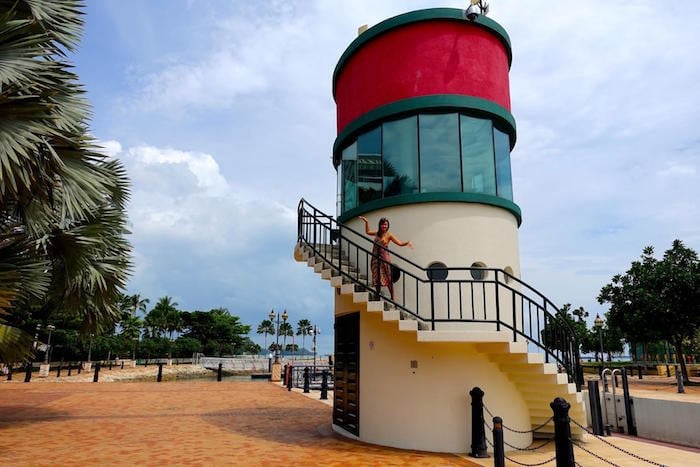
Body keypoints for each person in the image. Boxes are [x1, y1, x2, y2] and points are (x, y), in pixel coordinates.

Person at [358, 216, 413, 301]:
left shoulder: (389, 235)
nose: (384, 226)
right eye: (383, 224)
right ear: (380, 225)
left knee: (388, 277)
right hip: (375, 258)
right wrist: (366, 222)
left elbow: (400, 243)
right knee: (376, 277)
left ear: (388, 226)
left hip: (384, 258)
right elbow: (368, 232)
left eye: (386, 224)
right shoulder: (377, 233)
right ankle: (378, 295)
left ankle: (393, 297)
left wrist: (407, 243)